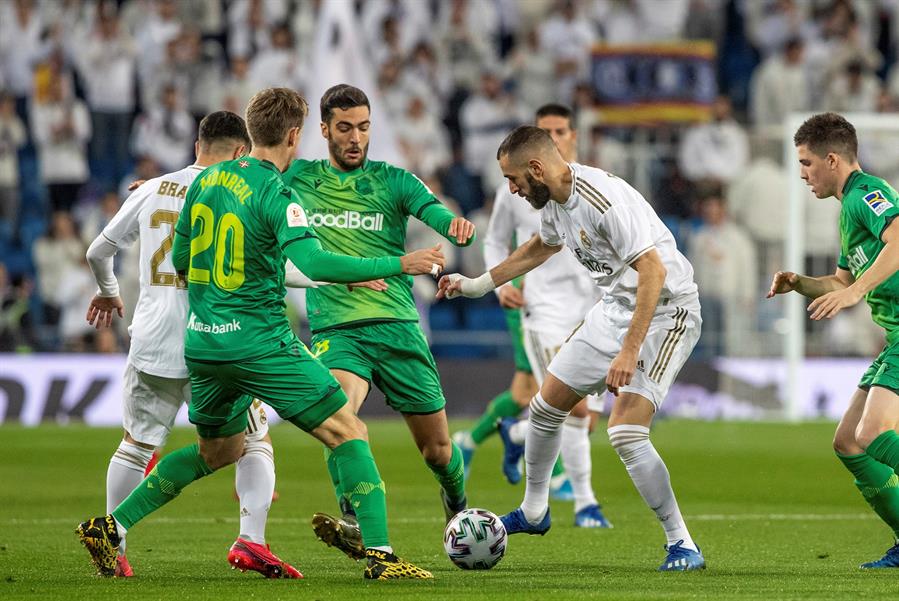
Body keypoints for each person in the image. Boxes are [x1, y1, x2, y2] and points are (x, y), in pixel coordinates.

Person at [76, 87, 442, 580]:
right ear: (294, 135)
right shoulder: (277, 193)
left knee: (220, 450)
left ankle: (112, 526)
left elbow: (182, 259)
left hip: (202, 342)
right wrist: (400, 262)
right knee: (349, 430)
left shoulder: (208, 181)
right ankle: (382, 556)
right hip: (259, 343)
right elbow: (313, 262)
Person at [438, 125, 706, 571]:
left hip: (665, 311)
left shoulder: (603, 201)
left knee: (625, 432)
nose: (512, 190)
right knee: (545, 407)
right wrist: (477, 285)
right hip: (615, 309)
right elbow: (540, 247)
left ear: (536, 168)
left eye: (514, 180)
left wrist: (628, 351)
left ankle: (682, 543)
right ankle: (534, 511)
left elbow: (653, 271)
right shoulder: (555, 202)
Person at [82, 111, 300, 578]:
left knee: (136, 444)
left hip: (150, 340)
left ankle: (114, 544)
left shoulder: (151, 189)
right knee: (254, 439)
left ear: (197, 145)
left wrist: (108, 291)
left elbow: (98, 251)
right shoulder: (237, 195)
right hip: (213, 340)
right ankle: (251, 541)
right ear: (241, 152)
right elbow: (285, 268)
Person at [281, 84, 476, 561]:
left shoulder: (393, 180)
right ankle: (352, 518)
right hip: (338, 329)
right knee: (337, 414)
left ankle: (456, 501)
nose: (355, 138)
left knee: (438, 452)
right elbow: (238, 172)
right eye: (345, 127)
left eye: (364, 127)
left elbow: (433, 210)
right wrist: (176, 187)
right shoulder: (298, 177)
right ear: (324, 129)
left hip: (397, 326)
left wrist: (453, 226)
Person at [455, 104, 611, 530]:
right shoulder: (517, 189)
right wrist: (498, 284)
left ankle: (516, 433)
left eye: (560, 131)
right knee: (574, 409)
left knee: (574, 414)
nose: (553, 138)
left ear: (573, 135)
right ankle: (585, 503)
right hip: (542, 308)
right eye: (546, 131)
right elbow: (495, 241)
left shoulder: (591, 186)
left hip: (592, 309)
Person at [767, 112, 899, 569]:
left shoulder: (867, 194)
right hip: (895, 336)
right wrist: (799, 283)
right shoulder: (848, 210)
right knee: (849, 442)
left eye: (806, 163)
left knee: (873, 432)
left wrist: (856, 292)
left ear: (831, 160)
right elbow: (840, 280)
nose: (803, 174)